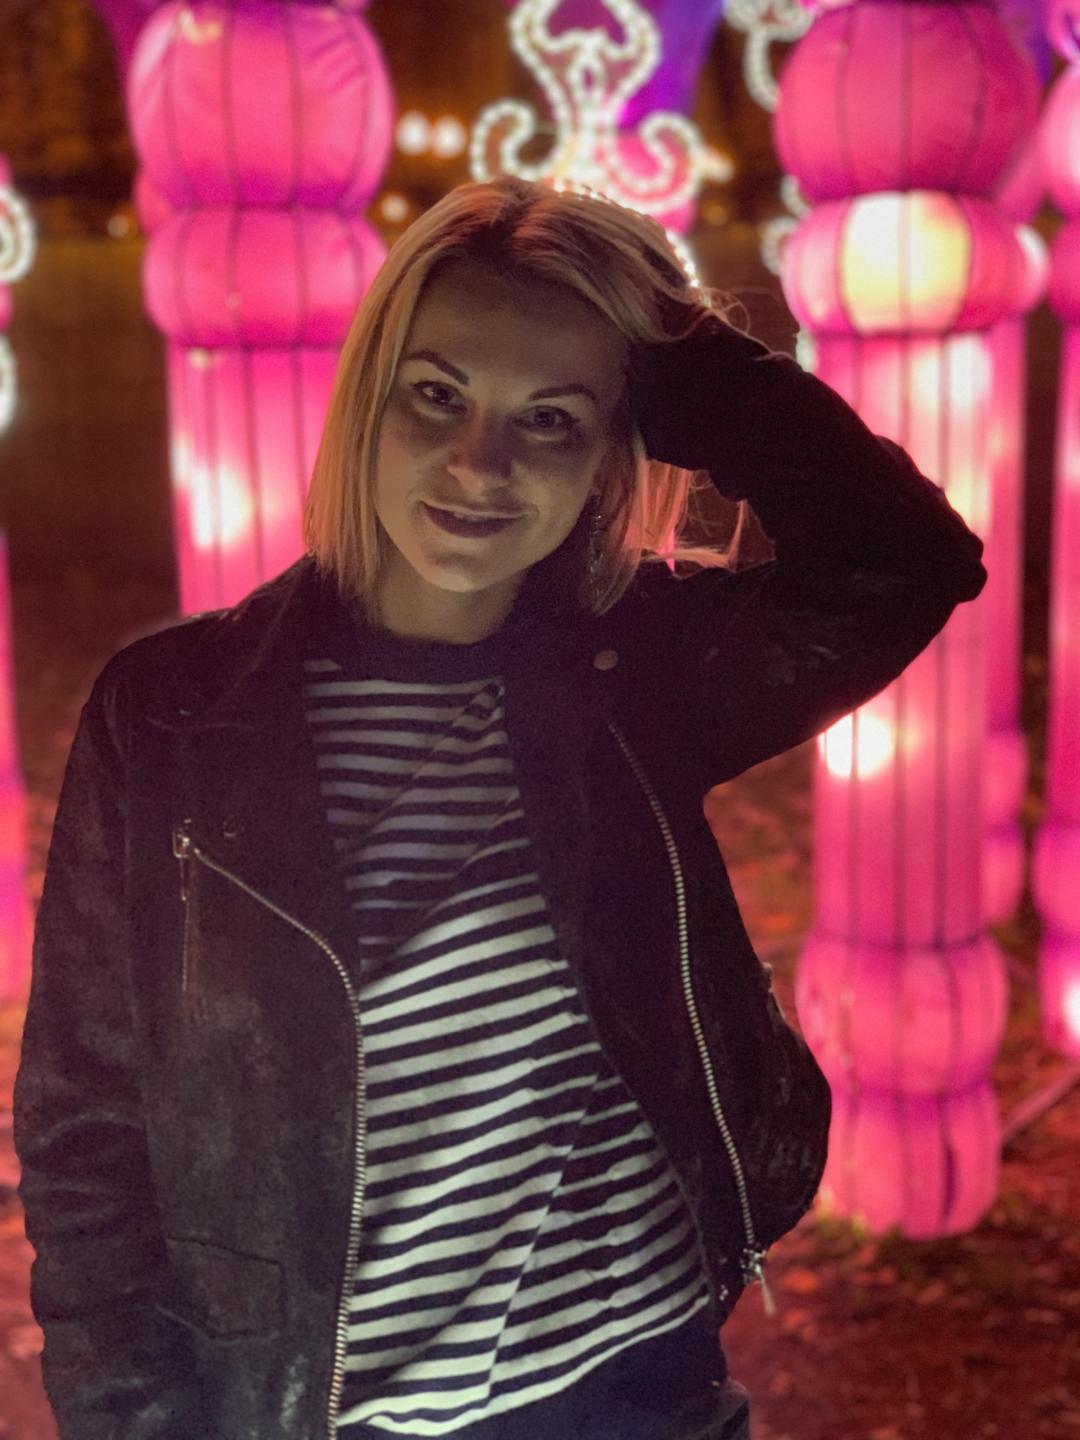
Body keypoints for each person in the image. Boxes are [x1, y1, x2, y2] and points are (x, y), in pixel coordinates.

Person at [13, 176, 986, 1440]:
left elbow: (906, 561)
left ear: (608, 453)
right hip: (338, 1410)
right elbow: (87, 1128)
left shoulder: (634, 672)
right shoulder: (174, 716)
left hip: (644, 1390)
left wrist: (675, 358)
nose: (483, 464)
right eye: (438, 394)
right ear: (369, 396)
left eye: (551, 419)